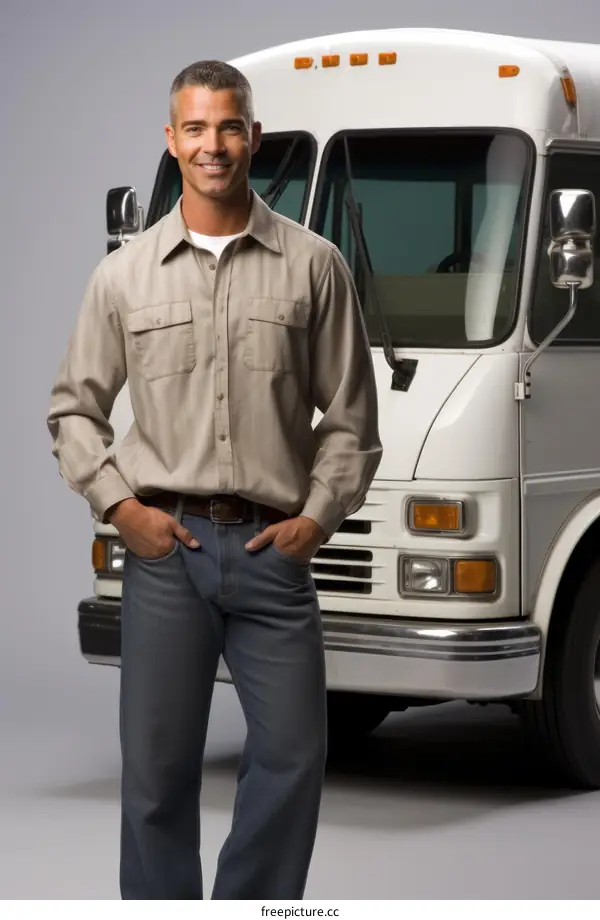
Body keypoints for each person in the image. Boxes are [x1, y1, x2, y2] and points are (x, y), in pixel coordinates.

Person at [47, 59, 382, 900]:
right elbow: (72, 412)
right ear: (171, 140)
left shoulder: (314, 266)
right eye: (194, 129)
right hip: (167, 553)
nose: (213, 145)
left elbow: (351, 422)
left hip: (275, 553)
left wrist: (316, 520)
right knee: (157, 775)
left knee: (294, 755)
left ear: (253, 137)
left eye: (229, 126)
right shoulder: (124, 277)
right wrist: (122, 508)